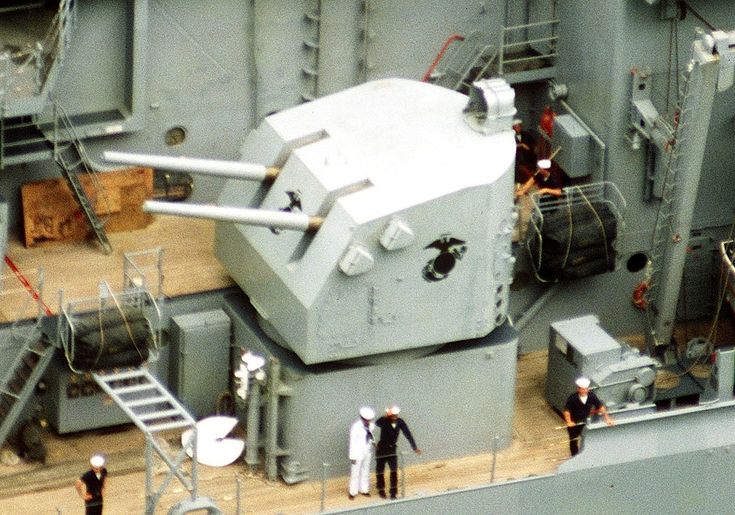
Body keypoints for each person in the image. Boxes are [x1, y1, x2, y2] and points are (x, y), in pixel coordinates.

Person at [375, 405, 421, 500]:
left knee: (394, 470)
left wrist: (414, 447)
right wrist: (385, 416)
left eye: (396, 415)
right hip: (382, 448)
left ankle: (393, 492)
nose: (394, 417)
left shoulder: (400, 422)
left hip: (392, 449)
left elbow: (408, 434)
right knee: (380, 470)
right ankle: (381, 489)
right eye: (393, 415)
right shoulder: (384, 421)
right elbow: (377, 423)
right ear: (390, 415)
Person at [563, 377, 614, 456]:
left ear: (588, 389)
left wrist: (607, 419)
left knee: (587, 437)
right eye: (582, 389)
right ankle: (574, 456)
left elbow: (601, 407)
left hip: (585, 420)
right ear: (578, 389)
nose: (584, 391)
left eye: (585, 389)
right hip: (574, 422)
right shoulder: (573, 398)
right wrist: (569, 421)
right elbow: (567, 411)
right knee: (573, 440)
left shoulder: (591, 396)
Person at [348, 406, 376, 499]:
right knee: (355, 472)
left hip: (367, 452)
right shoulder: (356, 427)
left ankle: (364, 489)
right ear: (362, 418)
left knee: (365, 470)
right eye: (365, 420)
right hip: (357, 453)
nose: (367, 422)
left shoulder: (371, 426)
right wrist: (352, 456)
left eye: (369, 420)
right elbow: (352, 442)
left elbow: (370, 436)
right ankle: (353, 492)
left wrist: (373, 443)